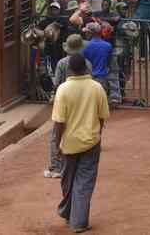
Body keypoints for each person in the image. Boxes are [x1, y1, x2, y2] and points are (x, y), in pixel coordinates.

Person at [52, 54, 109, 233]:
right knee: (84, 182)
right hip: (91, 142)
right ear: (86, 68)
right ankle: (77, 220)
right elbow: (102, 117)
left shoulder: (63, 89)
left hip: (68, 143)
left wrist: (57, 144)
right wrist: (97, 134)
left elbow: (58, 122)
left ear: (69, 70)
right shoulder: (97, 88)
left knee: (67, 180)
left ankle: (70, 213)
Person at [44, 34, 85, 179]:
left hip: (65, 101)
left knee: (57, 134)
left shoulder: (62, 63)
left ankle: (56, 167)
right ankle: (78, 166)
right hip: (82, 103)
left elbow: (57, 84)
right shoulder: (87, 63)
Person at [80, 23, 112, 95]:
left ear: (90, 33)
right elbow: (109, 63)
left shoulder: (85, 46)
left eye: (87, 32)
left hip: (88, 80)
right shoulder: (108, 46)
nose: (85, 34)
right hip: (102, 80)